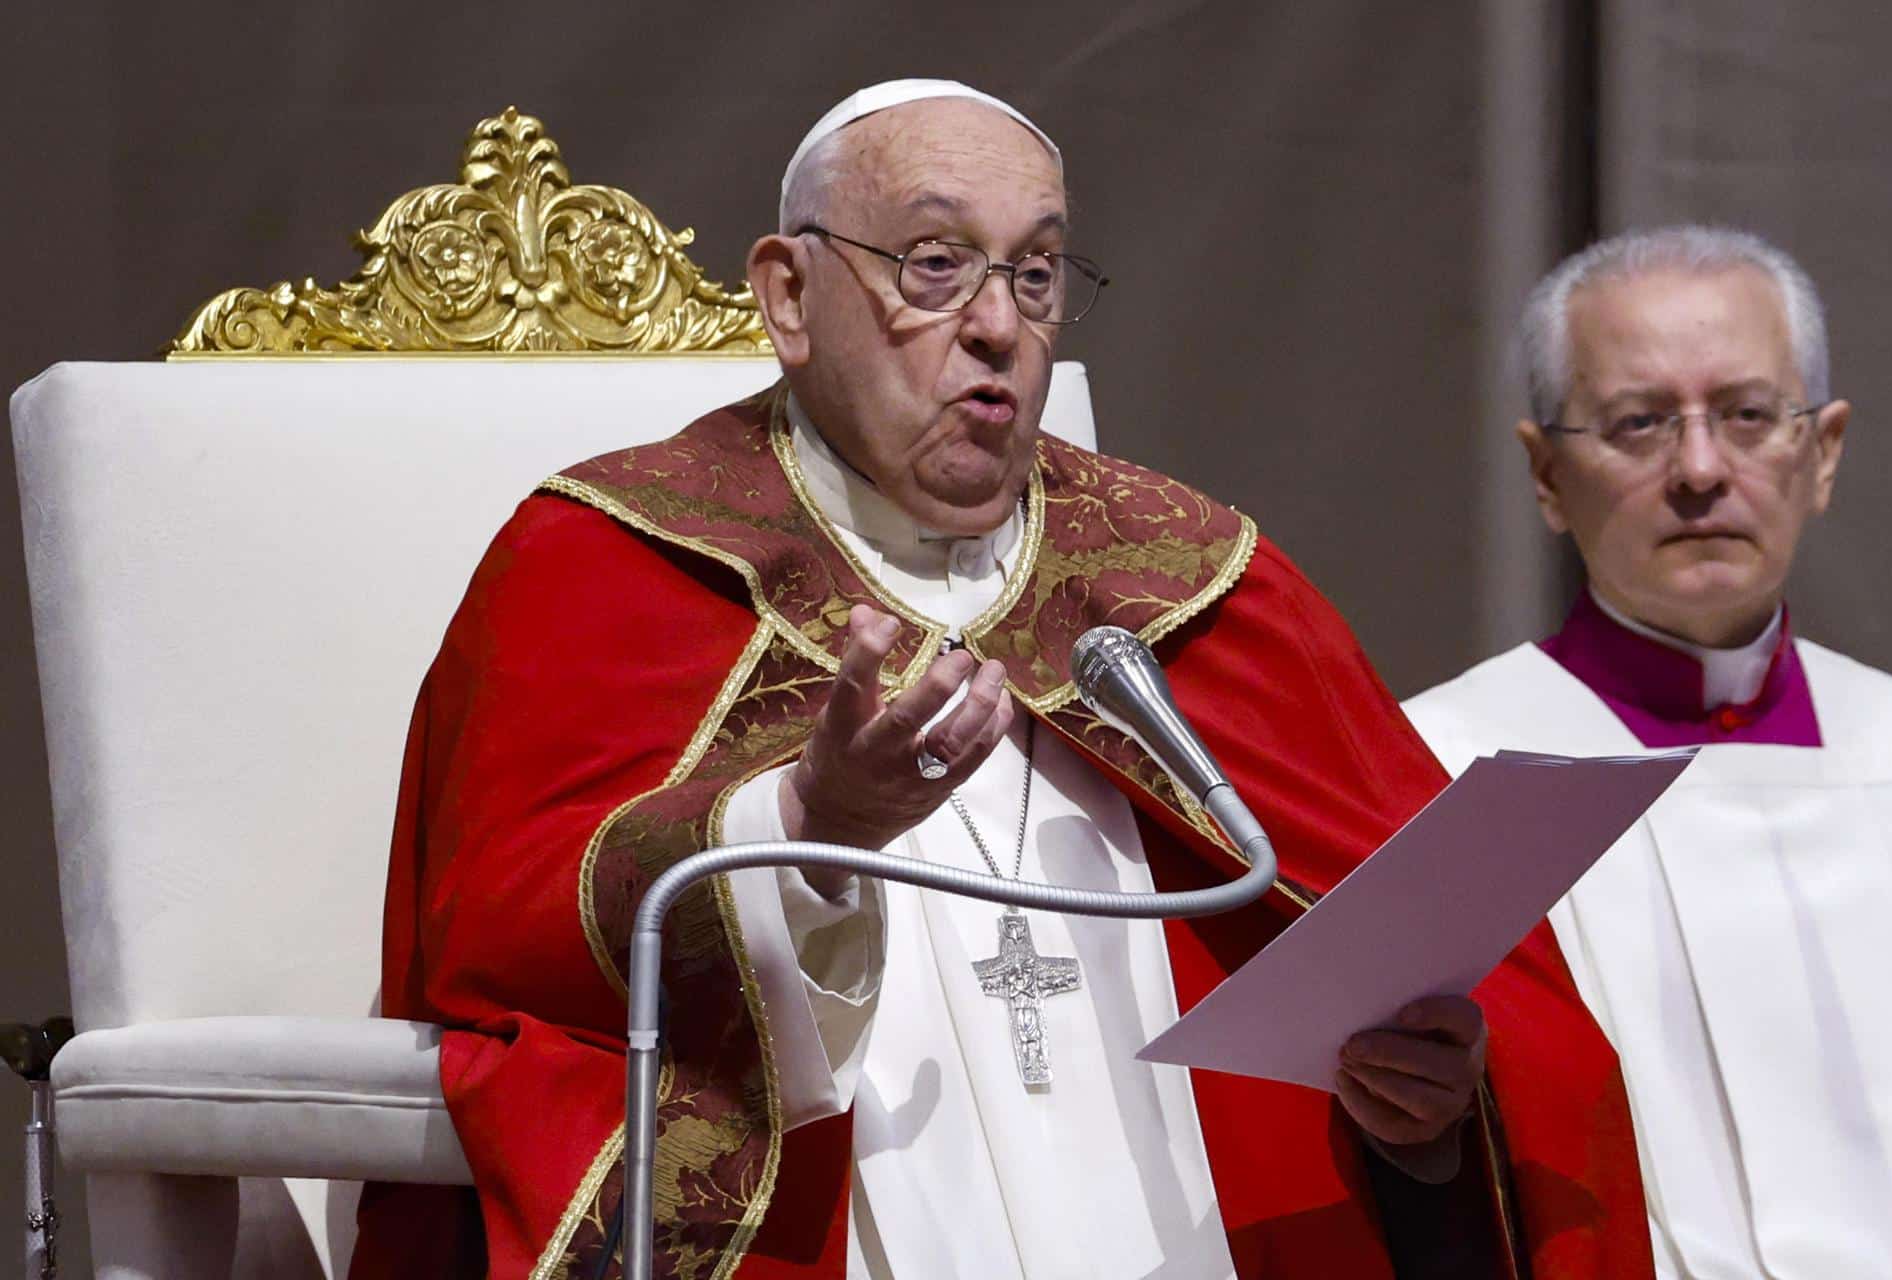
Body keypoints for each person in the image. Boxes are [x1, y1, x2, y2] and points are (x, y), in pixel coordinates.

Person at [352, 81, 1650, 1279]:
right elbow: (504, 947)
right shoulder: (607, 560)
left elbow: (1474, 1028)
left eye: (1035, 274)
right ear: (791, 295)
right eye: (934, 263)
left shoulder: (1197, 579)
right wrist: (808, 831)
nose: (996, 326)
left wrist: (1418, 1119)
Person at [1404, 225, 1892, 1278]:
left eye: (1745, 415)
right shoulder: (1435, 767)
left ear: (1820, 453)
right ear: (1546, 474)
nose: (1698, 469)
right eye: (1638, 423)